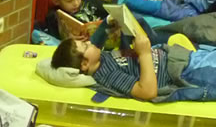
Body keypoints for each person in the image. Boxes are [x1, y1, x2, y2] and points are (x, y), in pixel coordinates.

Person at [51, 18, 216, 102]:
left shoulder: (99, 59)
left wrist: (111, 21)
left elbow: (97, 40)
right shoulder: (107, 75)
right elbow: (147, 92)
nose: (89, 42)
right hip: (181, 71)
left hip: (177, 56)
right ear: (84, 64)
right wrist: (144, 54)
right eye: (85, 46)